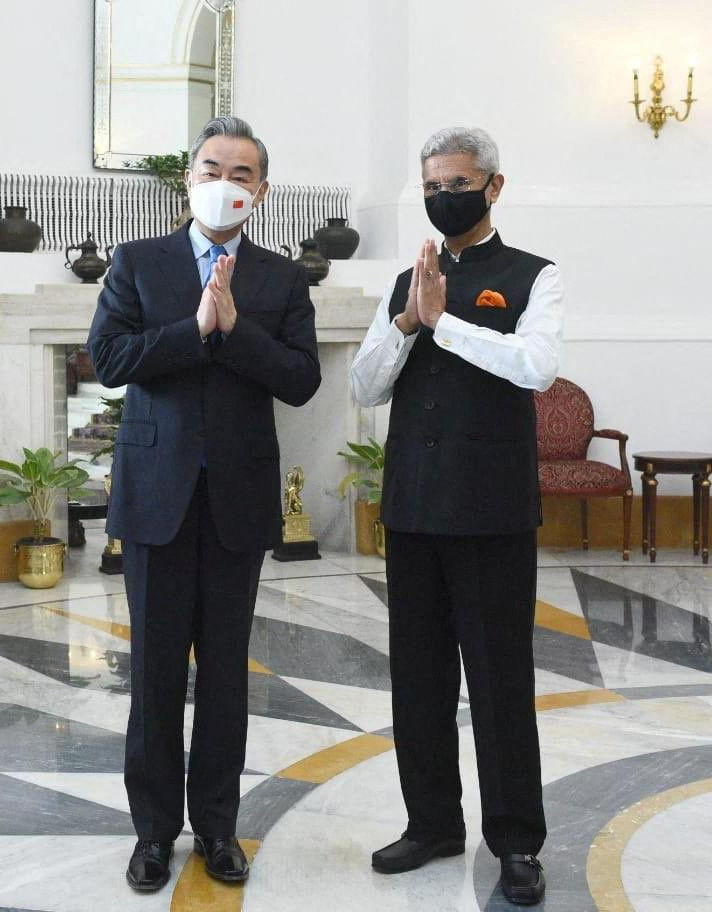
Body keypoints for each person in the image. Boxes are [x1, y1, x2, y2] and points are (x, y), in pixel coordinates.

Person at [88, 116, 321, 893]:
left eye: (243, 172)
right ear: (189, 179)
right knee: (155, 675)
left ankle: (217, 829)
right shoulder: (139, 261)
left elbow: (299, 379)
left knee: (224, 675)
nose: (227, 181)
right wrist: (192, 330)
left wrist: (236, 328)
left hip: (238, 501)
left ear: (261, 191)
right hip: (156, 497)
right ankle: (153, 834)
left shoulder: (283, 279)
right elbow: (113, 359)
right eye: (213, 167)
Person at [350, 127, 564, 906]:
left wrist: (447, 323)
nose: (445, 196)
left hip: (493, 514)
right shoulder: (410, 282)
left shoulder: (536, 277)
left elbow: (535, 366)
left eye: (459, 183)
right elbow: (366, 388)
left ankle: (516, 843)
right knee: (419, 680)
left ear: (494, 187)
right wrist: (409, 320)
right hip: (413, 509)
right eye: (433, 184)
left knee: (501, 683)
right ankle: (432, 822)